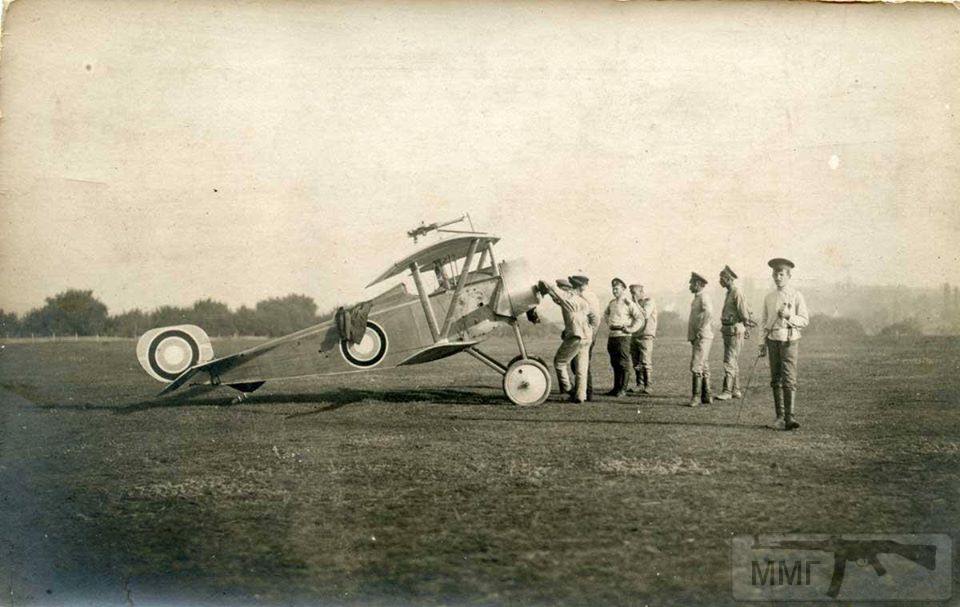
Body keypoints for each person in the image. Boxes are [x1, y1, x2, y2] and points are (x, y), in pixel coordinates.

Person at [760, 258, 809, 430]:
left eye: (781, 274)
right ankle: (779, 417)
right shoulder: (769, 297)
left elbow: (804, 320)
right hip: (773, 340)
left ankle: (790, 418)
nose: (777, 277)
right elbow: (764, 321)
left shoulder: (796, 295)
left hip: (790, 340)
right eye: (775, 273)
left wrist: (789, 316)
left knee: (789, 378)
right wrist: (761, 343)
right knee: (776, 379)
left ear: (789, 276)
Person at [540, 278, 594, 403]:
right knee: (582, 368)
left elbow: (552, 288)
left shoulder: (568, 298)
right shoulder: (582, 301)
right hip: (587, 335)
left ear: (569, 288)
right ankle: (581, 396)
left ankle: (568, 389)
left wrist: (542, 285)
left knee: (559, 363)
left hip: (575, 335)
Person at [714, 265, 756, 401]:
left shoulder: (736, 292)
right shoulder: (730, 292)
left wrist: (746, 327)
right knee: (733, 360)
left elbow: (743, 312)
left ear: (728, 279)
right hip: (729, 330)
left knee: (729, 360)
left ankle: (727, 391)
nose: (720, 281)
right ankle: (736, 390)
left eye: (722, 278)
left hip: (734, 330)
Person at [603, 277, 644, 397]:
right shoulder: (612, 303)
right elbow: (606, 314)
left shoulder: (628, 303)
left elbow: (639, 318)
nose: (614, 291)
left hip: (623, 336)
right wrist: (610, 323)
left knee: (624, 363)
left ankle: (623, 389)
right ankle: (616, 388)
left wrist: (631, 329)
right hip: (613, 335)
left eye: (616, 288)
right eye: (613, 289)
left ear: (623, 289)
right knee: (615, 363)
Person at [570, 275, 602, 401]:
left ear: (582, 285)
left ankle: (587, 392)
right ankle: (583, 391)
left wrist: (590, 334)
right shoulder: (585, 295)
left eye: (575, 285)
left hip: (585, 334)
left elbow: (595, 318)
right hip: (583, 333)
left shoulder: (587, 296)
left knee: (581, 364)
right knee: (578, 364)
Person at [687, 272, 714, 407]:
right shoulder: (698, 297)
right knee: (704, 365)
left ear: (698, 284)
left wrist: (699, 329)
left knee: (697, 365)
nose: (690, 285)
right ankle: (707, 395)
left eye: (692, 283)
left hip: (702, 336)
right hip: (701, 335)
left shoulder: (703, 297)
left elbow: (708, 312)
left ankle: (696, 397)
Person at [628, 284, 657, 394]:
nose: (632, 295)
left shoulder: (649, 301)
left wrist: (634, 303)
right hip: (634, 334)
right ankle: (639, 385)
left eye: (634, 293)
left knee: (645, 361)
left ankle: (648, 385)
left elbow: (645, 314)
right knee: (636, 361)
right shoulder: (634, 304)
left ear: (641, 292)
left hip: (646, 335)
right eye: (631, 293)